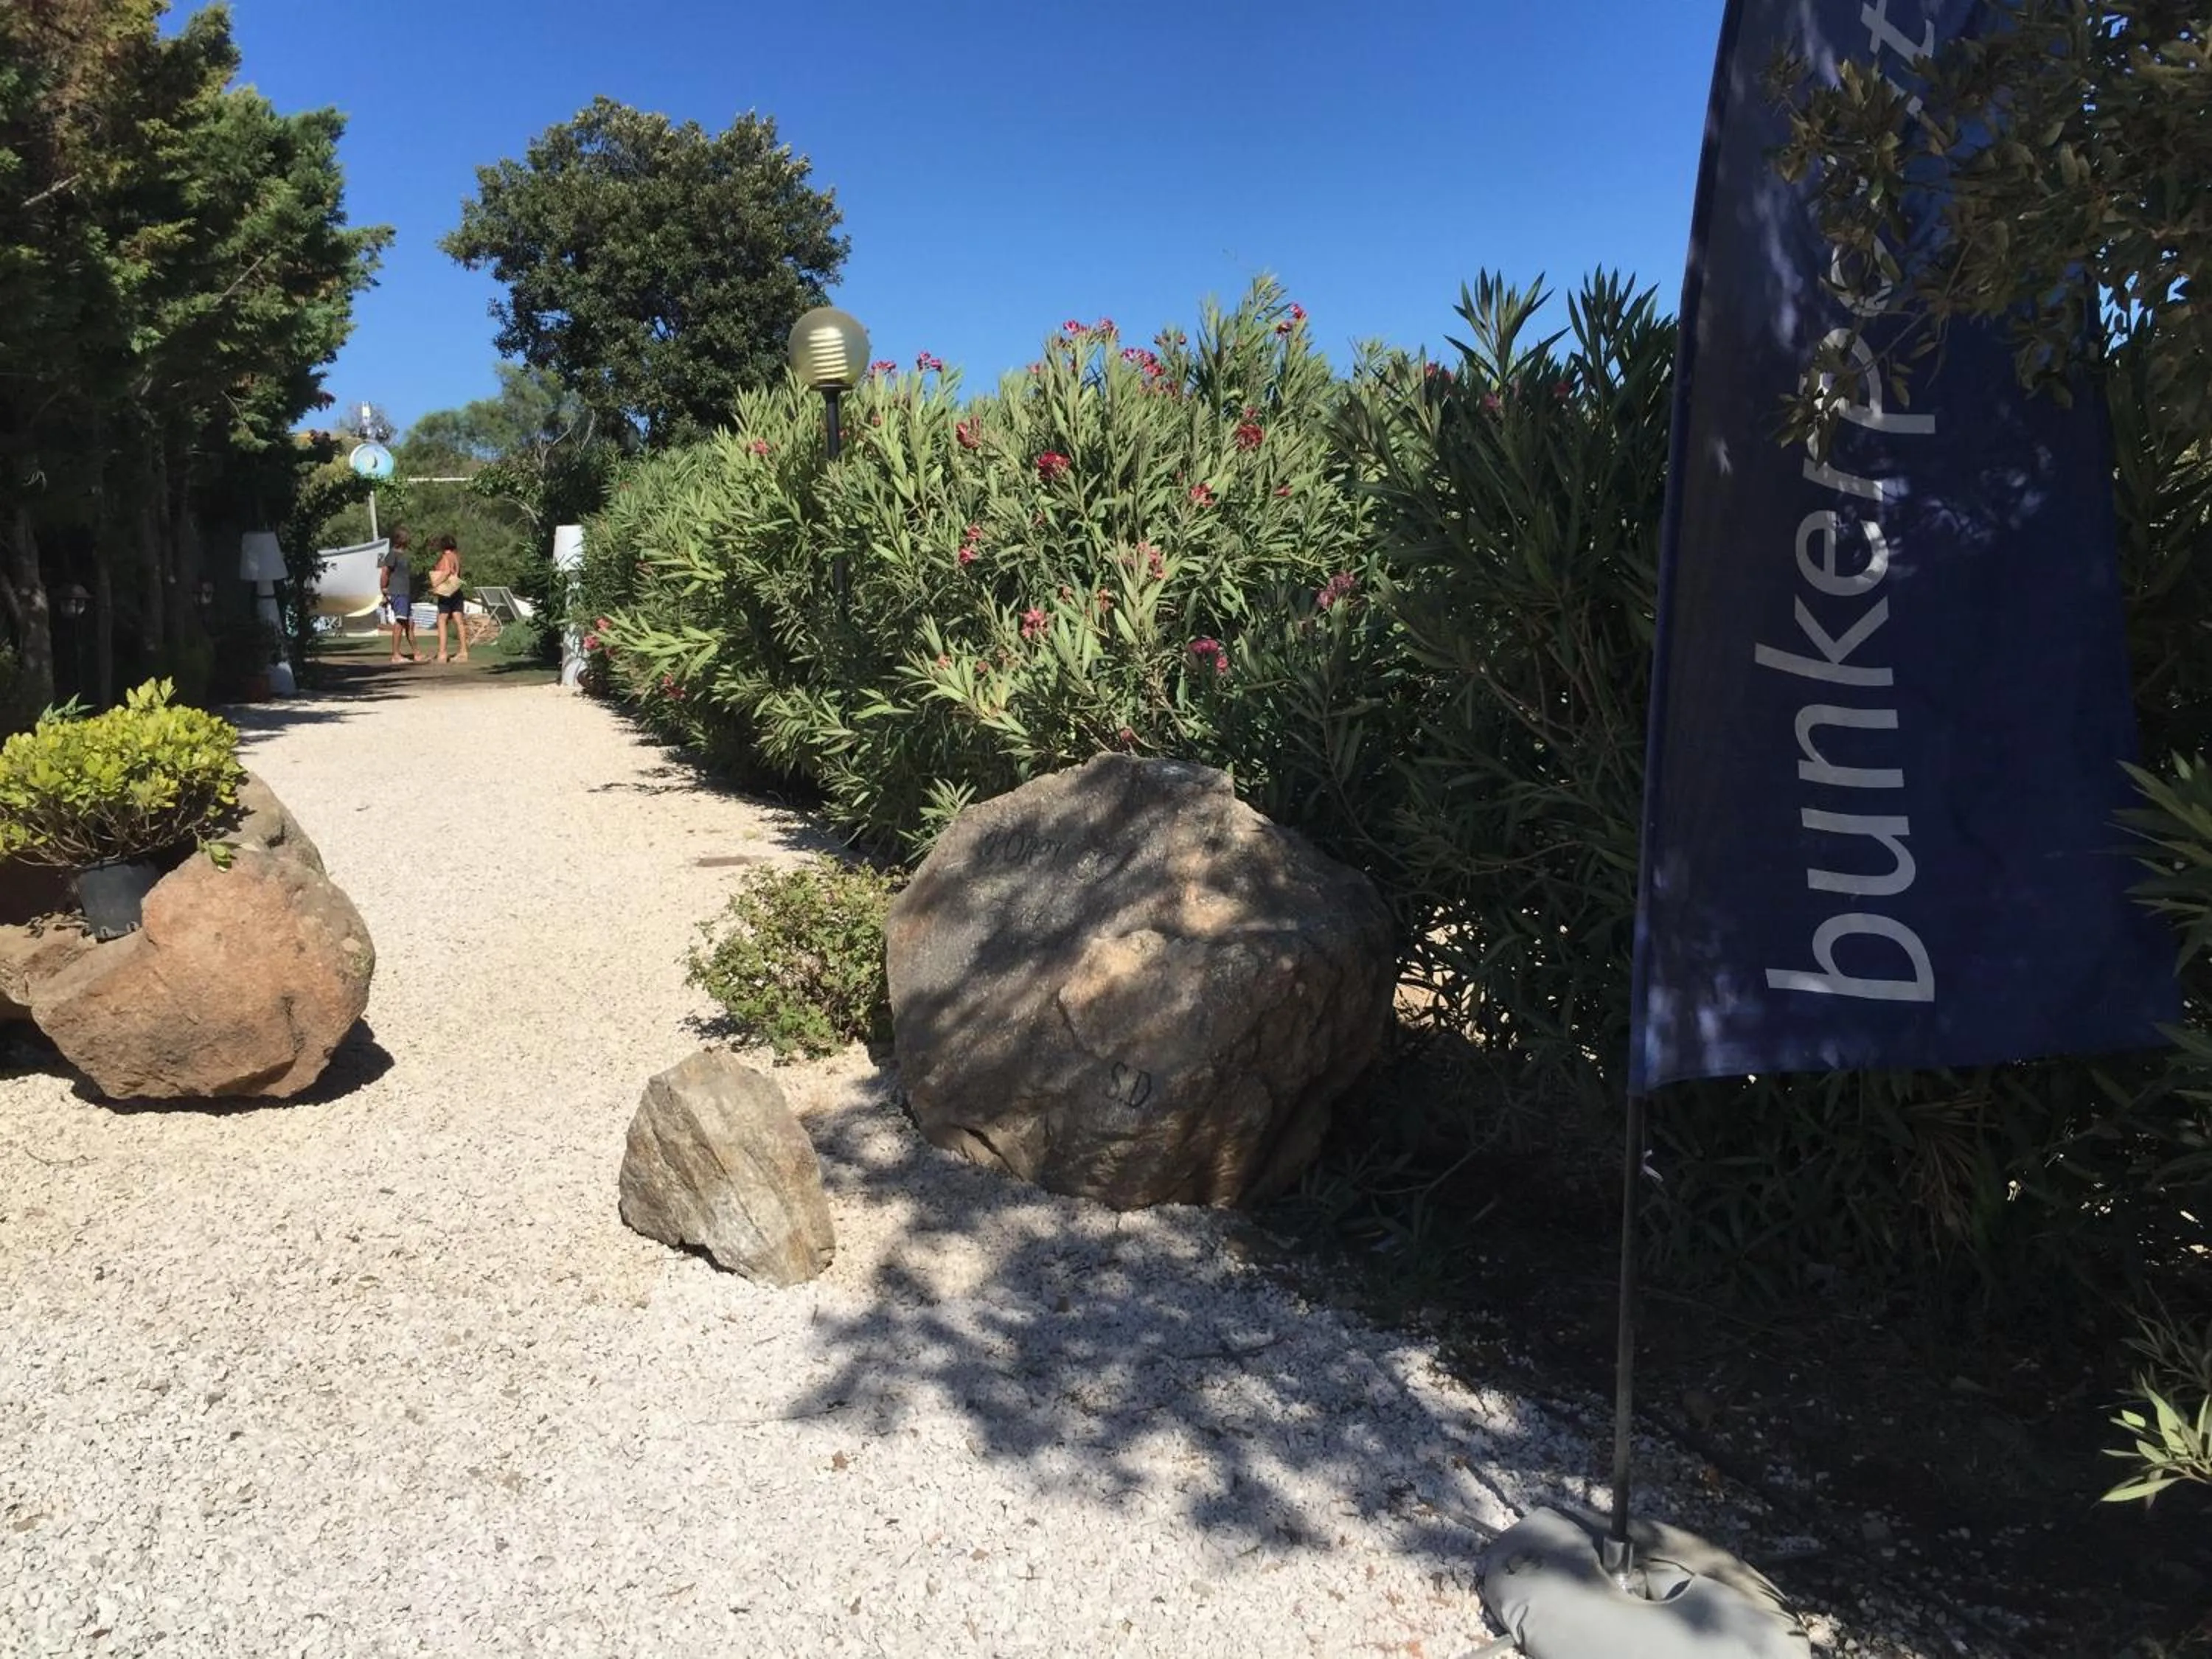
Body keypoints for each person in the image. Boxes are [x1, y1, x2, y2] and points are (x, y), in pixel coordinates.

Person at [379, 528, 419, 662]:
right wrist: (384, 589)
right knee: (400, 622)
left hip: (405, 593)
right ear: (401, 539)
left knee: (409, 623)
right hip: (398, 592)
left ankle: (417, 654)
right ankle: (396, 655)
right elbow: (385, 572)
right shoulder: (392, 555)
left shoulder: (403, 555)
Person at [429, 533, 470, 663]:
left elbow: (446, 572)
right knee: (459, 621)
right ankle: (463, 652)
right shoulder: (456, 557)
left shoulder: (446, 557)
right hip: (457, 591)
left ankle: (442, 653)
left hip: (447, 592)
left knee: (442, 620)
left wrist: (436, 584)